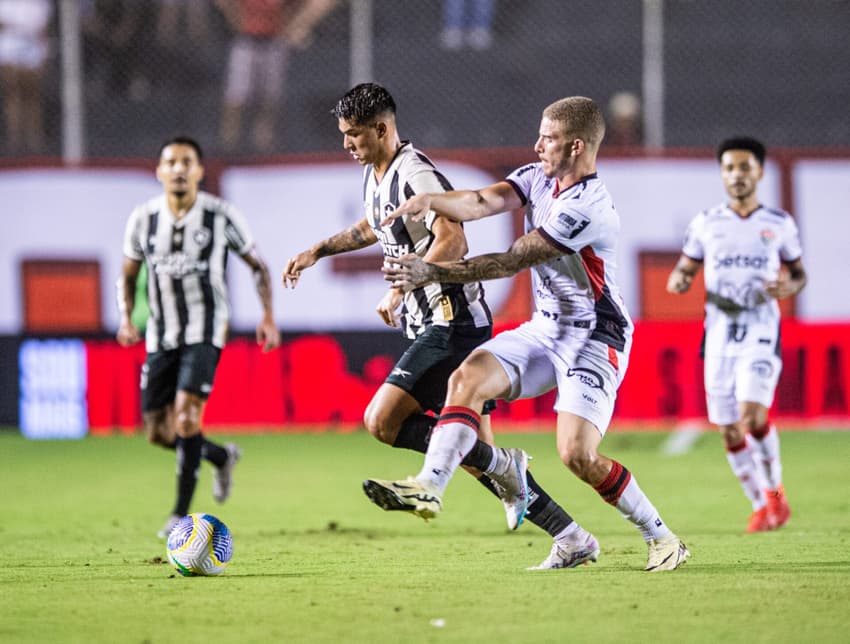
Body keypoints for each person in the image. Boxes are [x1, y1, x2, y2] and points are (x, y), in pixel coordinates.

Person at [283, 83, 597, 569]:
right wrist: (319, 250)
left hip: (450, 322)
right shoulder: (375, 171)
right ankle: (571, 536)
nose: (346, 144)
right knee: (483, 465)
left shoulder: (415, 172)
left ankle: (498, 471)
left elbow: (453, 240)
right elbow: (373, 227)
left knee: (382, 420)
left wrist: (402, 285)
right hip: (427, 321)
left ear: (382, 129)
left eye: (353, 135)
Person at [374, 96, 690, 572]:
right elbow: (484, 200)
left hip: (594, 336)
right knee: (466, 380)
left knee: (577, 455)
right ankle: (429, 486)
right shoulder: (538, 175)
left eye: (549, 138)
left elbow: (510, 260)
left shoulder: (587, 208)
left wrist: (431, 272)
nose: (538, 144)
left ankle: (662, 537)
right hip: (546, 328)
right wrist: (432, 201)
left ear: (577, 146)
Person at [117, 135, 281, 538]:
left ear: (199, 171)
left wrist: (267, 316)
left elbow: (257, 266)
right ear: (158, 172)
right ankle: (220, 456)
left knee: (187, 415)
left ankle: (179, 514)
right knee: (158, 431)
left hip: (205, 330)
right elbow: (128, 274)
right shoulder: (143, 218)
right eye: (170, 162)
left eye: (186, 162)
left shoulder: (220, 215)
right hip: (160, 333)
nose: (177, 169)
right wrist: (125, 318)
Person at [666, 136, 806, 533]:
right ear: (722, 174)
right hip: (720, 333)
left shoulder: (778, 224)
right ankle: (761, 504)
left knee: (752, 414)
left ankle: (775, 493)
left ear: (759, 172)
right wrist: (679, 280)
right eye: (729, 168)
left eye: (745, 167)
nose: (737, 175)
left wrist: (790, 287)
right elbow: (686, 268)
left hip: (761, 328)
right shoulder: (706, 222)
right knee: (728, 428)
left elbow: (798, 274)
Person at [215, 0, 337, 153]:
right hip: (247, 40)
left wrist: (296, 24)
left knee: (270, 99)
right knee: (236, 97)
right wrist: (235, 19)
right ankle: (229, 144)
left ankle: (263, 143)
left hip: (274, 41)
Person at [0, 0, 52, 154]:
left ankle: (33, 139)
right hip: (9, 48)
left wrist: (44, 54)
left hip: (32, 49)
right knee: (13, 94)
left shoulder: (39, 4)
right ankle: (14, 138)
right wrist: (25, 29)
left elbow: (43, 31)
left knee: (32, 96)